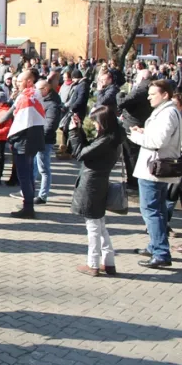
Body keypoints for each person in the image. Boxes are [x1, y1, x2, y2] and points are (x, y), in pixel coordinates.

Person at [67, 106, 124, 276]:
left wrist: (73, 133)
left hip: (92, 185)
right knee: (100, 225)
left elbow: (79, 153)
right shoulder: (112, 138)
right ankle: (109, 262)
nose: (94, 124)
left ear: (104, 122)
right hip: (99, 183)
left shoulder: (105, 141)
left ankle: (93, 264)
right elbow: (88, 150)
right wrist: (79, 130)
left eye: (96, 121)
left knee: (93, 226)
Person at [129, 79, 179, 269]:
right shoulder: (165, 112)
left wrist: (137, 136)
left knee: (151, 211)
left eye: (152, 94)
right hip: (154, 168)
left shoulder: (168, 113)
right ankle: (155, 246)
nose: (148, 97)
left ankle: (160, 252)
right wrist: (144, 131)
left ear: (165, 94)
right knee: (156, 210)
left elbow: (158, 141)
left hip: (154, 170)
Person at [2, 70, 46, 219]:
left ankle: (28, 208)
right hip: (33, 138)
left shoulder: (26, 97)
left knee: (24, 175)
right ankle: (29, 205)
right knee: (28, 174)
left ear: (29, 82)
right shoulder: (35, 94)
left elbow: (20, 120)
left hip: (24, 140)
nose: (17, 84)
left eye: (20, 81)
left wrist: (2, 129)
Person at [118, 68, 152, 188]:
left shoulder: (141, 89)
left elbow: (122, 102)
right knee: (134, 154)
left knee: (131, 154)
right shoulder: (148, 87)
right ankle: (134, 180)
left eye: (137, 76)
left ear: (142, 77)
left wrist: (120, 94)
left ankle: (133, 181)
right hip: (138, 123)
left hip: (133, 125)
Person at [34, 80, 63, 204]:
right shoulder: (42, 101)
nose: (36, 92)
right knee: (34, 167)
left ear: (46, 89)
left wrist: (40, 137)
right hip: (36, 139)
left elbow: (50, 125)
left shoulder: (52, 105)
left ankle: (43, 195)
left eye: (38, 89)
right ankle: (29, 191)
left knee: (44, 169)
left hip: (44, 141)